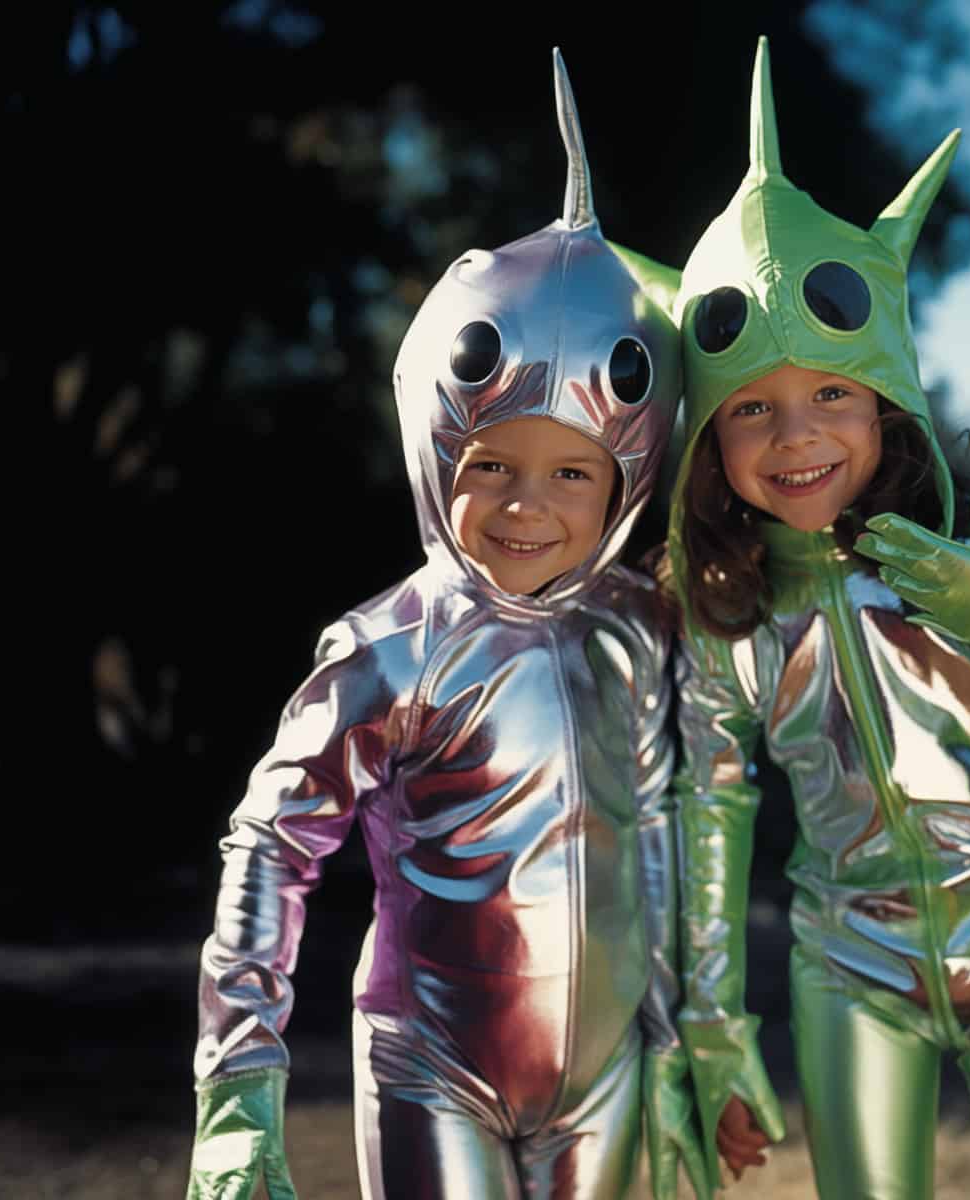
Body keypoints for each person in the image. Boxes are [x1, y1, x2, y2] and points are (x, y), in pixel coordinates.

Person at [647, 37, 970, 1199]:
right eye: (753, 409)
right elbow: (710, 819)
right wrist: (717, 1030)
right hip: (849, 973)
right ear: (706, 438)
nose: (796, 438)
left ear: (887, 406)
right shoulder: (725, 613)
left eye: (833, 393)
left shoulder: (967, 549)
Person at [186, 51, 708, 1200]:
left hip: (607, 1078)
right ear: (435, 447)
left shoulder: (639, 630)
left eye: (575, 473)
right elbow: (271, 846)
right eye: (493, 465)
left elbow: (665, 833)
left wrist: (682, 1046)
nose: (529, 507)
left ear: (627, 479)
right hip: (432, 1064)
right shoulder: (391, 649)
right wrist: (237, 1089)